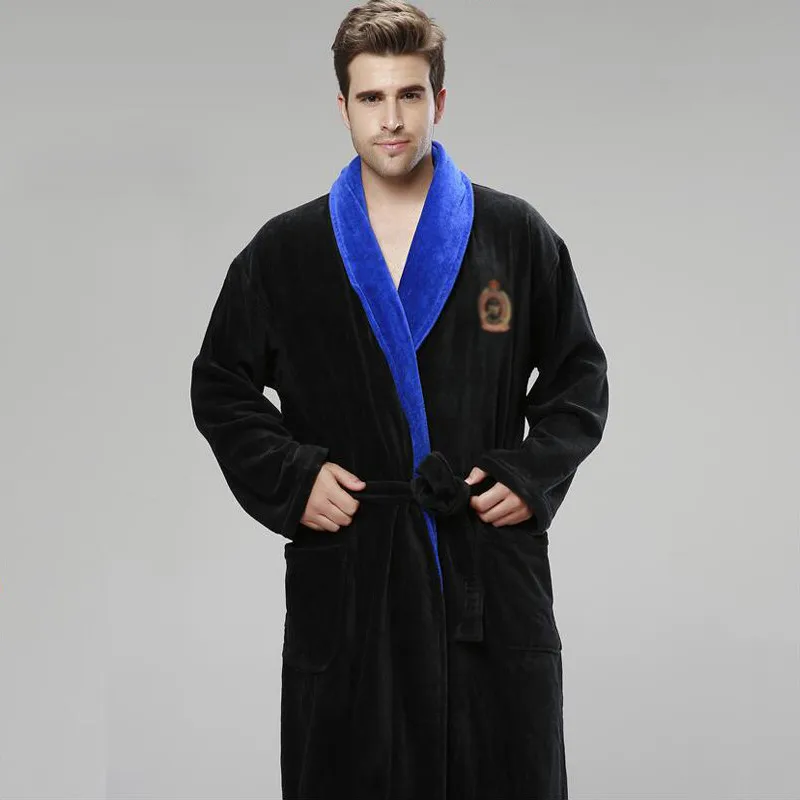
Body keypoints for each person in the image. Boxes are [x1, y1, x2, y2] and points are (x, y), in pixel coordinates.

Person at [190, 1, 609, 797]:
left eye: (409, 95)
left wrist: (529, 476)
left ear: (438, 100)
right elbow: (220, 383)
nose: (391, 119)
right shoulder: (287, 251)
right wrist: (293, 477)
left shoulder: (513, 236)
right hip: (354, 577)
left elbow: (578, 375)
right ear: (343, 107)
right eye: (372, 98)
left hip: (482, 577)